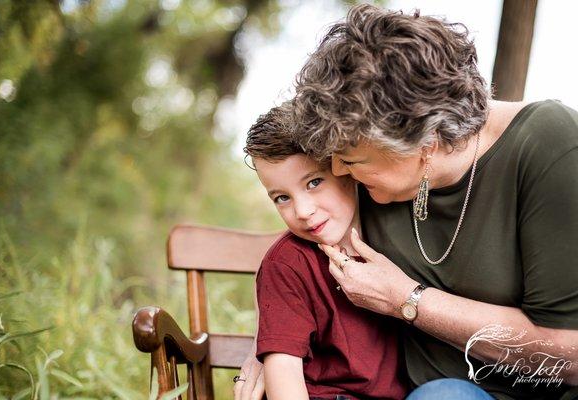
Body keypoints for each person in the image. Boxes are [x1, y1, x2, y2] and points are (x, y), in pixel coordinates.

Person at [235, 5, 578, 400]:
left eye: (350, 159)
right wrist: (274, 346)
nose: (338, 171)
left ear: (422, 145)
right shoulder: (377, 174)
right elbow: (302, 246)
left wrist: (409, 301)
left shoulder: (548, 145)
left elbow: (569, 351)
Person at [240, 103, 407, 400]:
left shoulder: (397, 233)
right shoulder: (287, 264)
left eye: (314, 183)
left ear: (346, 169)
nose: (302, 211)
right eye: (282, 198)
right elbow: (284, 375)